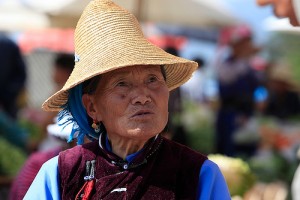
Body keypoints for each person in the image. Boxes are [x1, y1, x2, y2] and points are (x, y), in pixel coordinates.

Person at [24, 0, 230, 199]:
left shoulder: (198, 174)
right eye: (122, 84)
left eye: (152, 79)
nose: (142, 97)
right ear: (92, 107)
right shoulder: (62, 173)